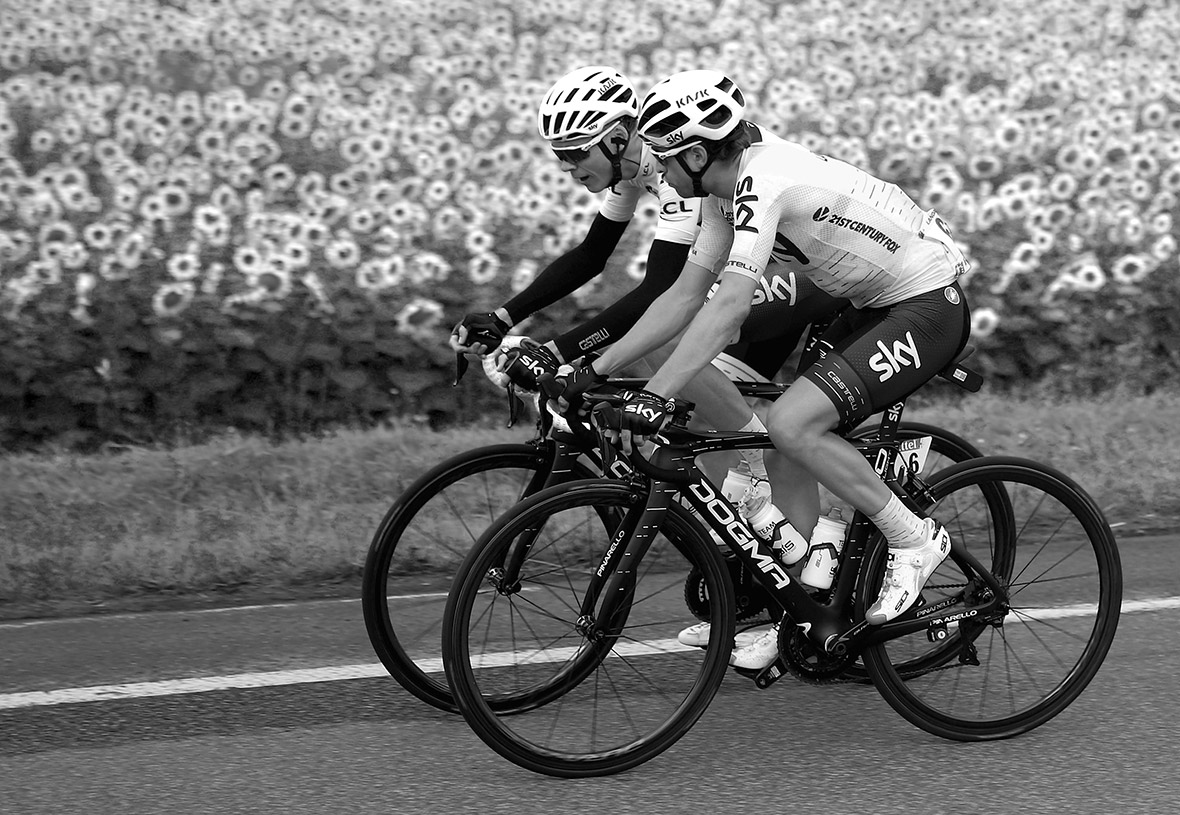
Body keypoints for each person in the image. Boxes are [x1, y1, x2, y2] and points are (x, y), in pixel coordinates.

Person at [556, 69, 972, 670]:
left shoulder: (763, 182)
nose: (662, 176)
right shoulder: (720, 193)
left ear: (698, 154)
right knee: (785, 436)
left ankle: (914, 539)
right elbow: (679, 298)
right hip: (865, 303)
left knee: (793, 425)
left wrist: (654, 396)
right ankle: (804, 612)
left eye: (668, 161)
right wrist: (592, 371)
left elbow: (726, 310)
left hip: (927, 302)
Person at [450, 65, 844, 519]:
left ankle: (755, 459)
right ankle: (769, 545)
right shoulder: (631, 168)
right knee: (699, 421)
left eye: (576, 153)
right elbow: (592, 254)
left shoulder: (676, 168)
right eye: (559, 154)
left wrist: (559, 353)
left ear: (618, 138)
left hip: (811, 274)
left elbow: (661, 292)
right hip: (761, 275)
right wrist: (502, 317)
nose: (566, 167)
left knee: (665, 342)